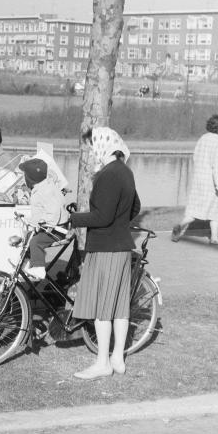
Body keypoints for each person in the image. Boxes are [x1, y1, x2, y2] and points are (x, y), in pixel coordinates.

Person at [69, 127, 140, 380]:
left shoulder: (108, 174)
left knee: (102, 310)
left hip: (106, 248)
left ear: (102, 144)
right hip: (122, 246)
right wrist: (121, 224)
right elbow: (135, 207)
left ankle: (102, 363)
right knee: (120, 307)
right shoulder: (126, 171)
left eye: (92, 145)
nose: (91, 151)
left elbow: (102, 216)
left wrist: (72, 219)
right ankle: (118, 358)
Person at [171, 115, 218, 245]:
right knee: (216, 210)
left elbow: (196, 158)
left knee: (194, 209)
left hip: (200, 180)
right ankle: (215, 238)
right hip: (213, 182)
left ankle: (181, 225)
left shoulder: (202, 139)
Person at [18, 157, 69, 281]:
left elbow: (54, 210)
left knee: (36, 242)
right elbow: (40, 210)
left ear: (30, 178)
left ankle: (39, 268)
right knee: (29, 238)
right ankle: (28, 263)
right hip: (49, 225)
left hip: (57, 228)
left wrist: (47, 223)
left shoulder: (45, 191)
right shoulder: (42, 187)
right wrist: (33, 221)